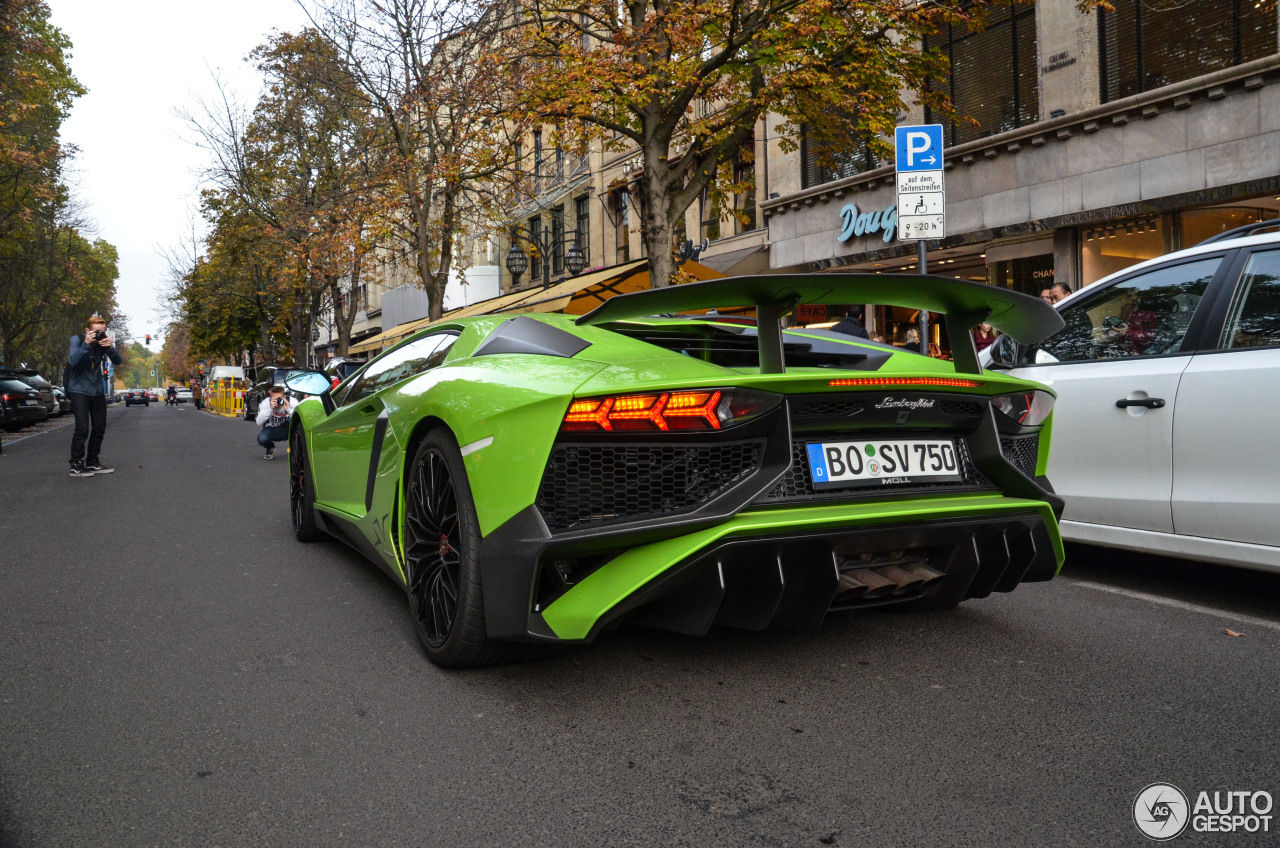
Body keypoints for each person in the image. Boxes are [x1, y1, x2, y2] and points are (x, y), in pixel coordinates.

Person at [66, 313, 122, 478]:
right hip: (79, 391)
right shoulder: (77, 340)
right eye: (96, 332)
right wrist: (86, 344)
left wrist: (109, 348)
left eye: (102, 331)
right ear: (87, 330)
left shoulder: (102, 343)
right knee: (82, 428)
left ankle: (92, 462)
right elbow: (72, 361)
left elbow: (118, 361)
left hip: (97, 391)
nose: (99, 335)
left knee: (99, 428)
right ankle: (76, 464)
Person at [254, 384, 296, 459]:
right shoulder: (266, 403)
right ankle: (270, 447)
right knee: (261, 438)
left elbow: (300, 418)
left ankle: (295, 449)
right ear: (270, 398)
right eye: (275, 399)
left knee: (292, 421)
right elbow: (258, 422)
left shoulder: (291, 401)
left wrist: (288, 410)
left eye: (280, 398)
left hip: (287, 428)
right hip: (272, 429)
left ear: (284, 397)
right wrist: (270, 408)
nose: (278, 401)